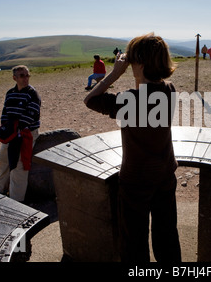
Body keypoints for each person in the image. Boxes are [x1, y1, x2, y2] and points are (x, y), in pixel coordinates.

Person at [84, 33, 181, 262]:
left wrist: (115, 73)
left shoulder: (129, 100)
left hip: (136, 179)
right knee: (166, 234)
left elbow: (90, 100)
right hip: (165, 173)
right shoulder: (169, 89)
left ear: (139, 63)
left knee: (134, 241)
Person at [0, 65, 41, 202]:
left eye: (27, 75)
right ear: (14, 78)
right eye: (22, 76)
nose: (25, 78)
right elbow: (5, 112)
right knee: (2, 161)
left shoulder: (33, 93)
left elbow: (32, 114)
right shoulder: (10, 93)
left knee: (19, 166)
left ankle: (16, 201)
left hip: (26, 133)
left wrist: (17, 129)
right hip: (12, 133)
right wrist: (6, 128)